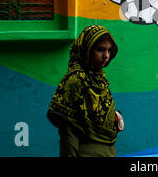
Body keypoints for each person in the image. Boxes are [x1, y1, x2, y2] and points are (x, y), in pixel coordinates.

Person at [47, 25, 124, 157]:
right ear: (86, 49)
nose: (106, 56)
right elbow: (69, 130)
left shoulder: (100, 78)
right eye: (100, 50)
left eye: (109, 50)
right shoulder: (75, 80)